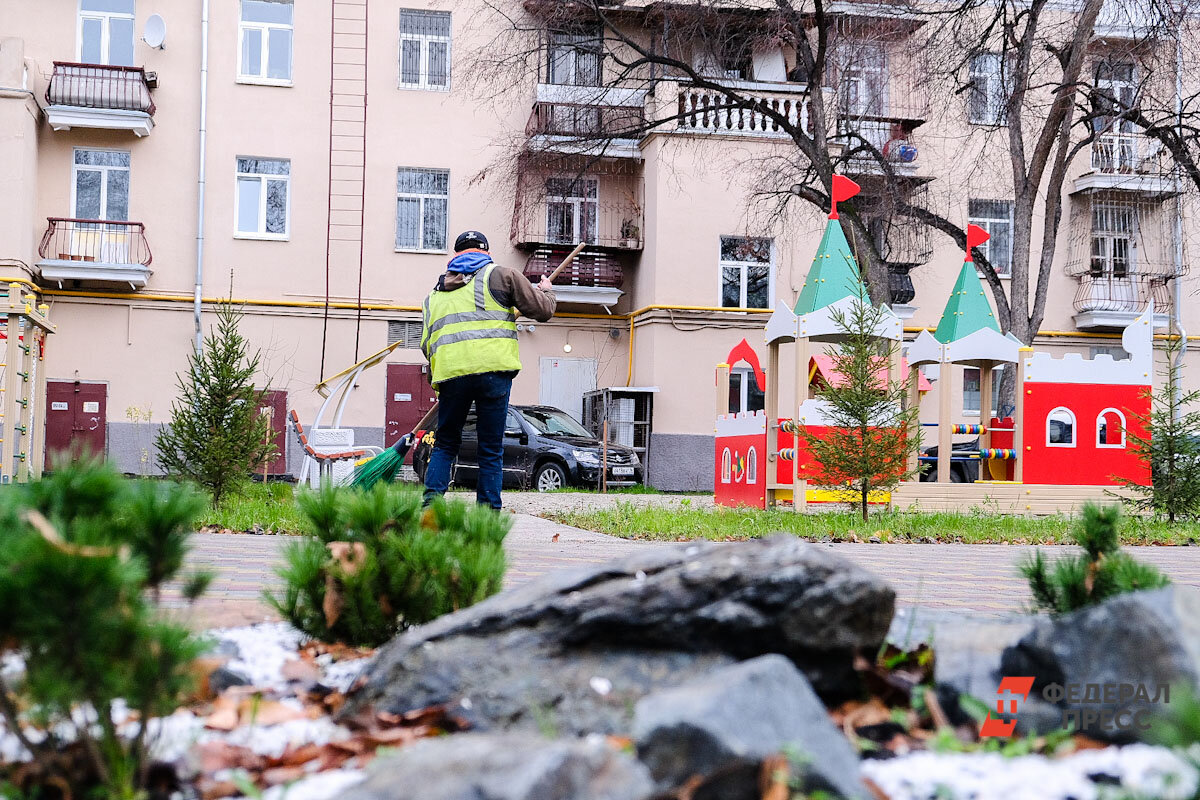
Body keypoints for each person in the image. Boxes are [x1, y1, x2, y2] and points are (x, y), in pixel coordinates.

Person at [420, 230, 556, 510]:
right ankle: (487, 515)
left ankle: (430, 510)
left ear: (456, 255)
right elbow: (542, 310)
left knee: (445, 444)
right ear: (486, 251)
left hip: (451, 376)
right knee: (490, 448)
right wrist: (547, 292)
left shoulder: (433, 296)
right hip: (493, 373)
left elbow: (426, 344)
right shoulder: (502, 276)